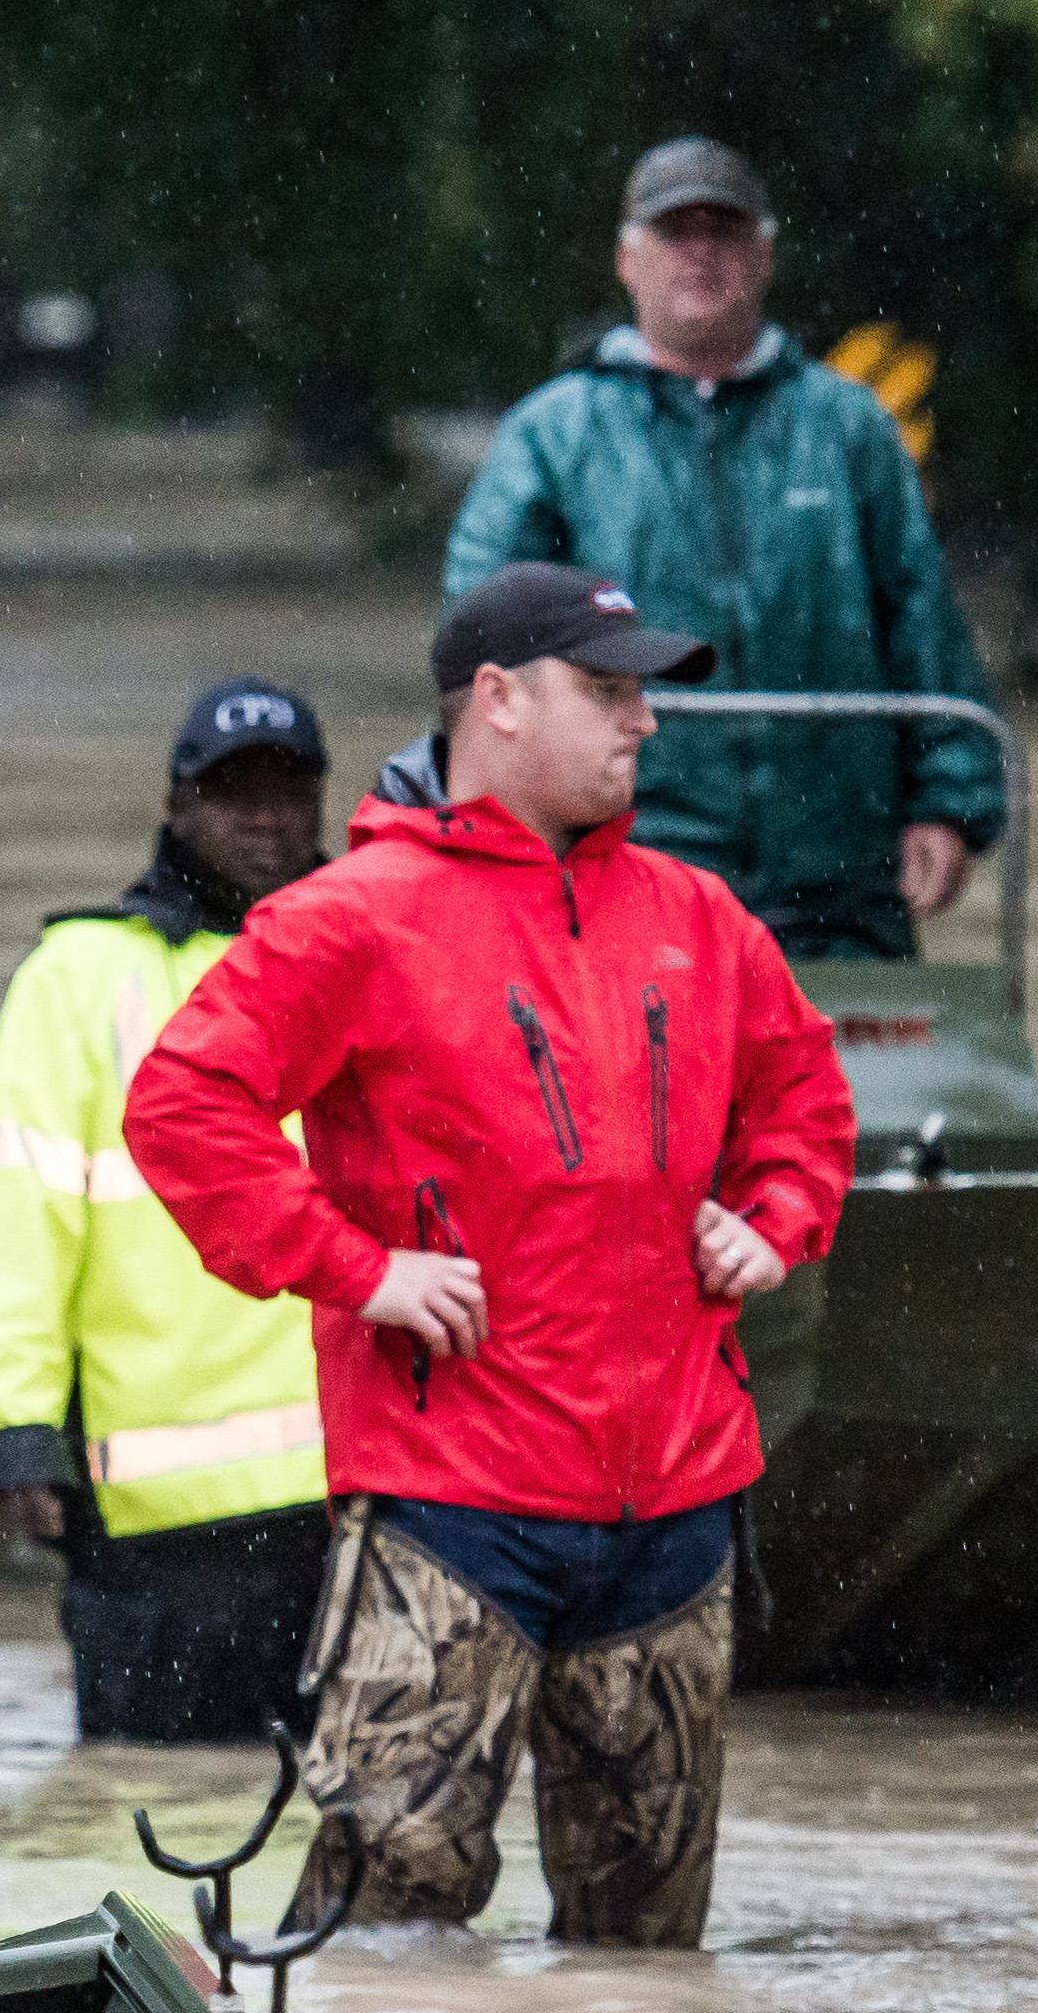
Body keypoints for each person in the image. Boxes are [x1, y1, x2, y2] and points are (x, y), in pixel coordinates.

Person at [125, 568, 856, 1942]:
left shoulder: (698, 916)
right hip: (450, 1510)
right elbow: (182, 1106)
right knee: (383, 1932)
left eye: (645, 691)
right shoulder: (352, 916)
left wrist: (773, 1218)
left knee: (645, 1948)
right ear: (501, 704)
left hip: (675, 1513)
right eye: (610, 690)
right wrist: (357, 1268)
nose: (643, 722)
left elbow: (807, 1097)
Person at [438, 137, 1003, 963]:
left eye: (723, 228)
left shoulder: (850, 428)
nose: (699, 250)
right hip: (626, 869)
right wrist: (505, 827)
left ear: (765, 254)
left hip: (839, 880)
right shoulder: (552, 436)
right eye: (675, 231)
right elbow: (476, 652)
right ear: (628, 259)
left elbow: (924, 623)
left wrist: (948, 806)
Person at [0, 679, 337, 1742]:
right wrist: (9, 1426)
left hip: (350, 1495)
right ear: (175, 803)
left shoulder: (365, 958)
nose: (262, 818)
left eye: (286, 791)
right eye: (231, 791)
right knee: (150, 1813)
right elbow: (15, 1215)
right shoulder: (77, 976)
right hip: (154, 1520)